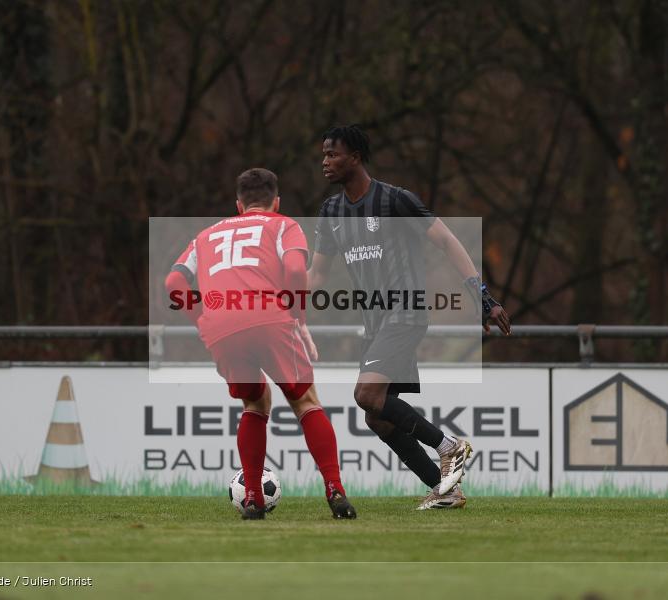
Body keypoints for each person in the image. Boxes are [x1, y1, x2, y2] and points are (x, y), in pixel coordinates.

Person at [309, 125, 511, 510]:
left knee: (365, 395)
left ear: (355, 157)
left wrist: (482, 296)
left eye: (332, 154)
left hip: (405, 312)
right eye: (323, 155)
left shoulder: (395, 200)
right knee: (377, 416)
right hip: (376, 324)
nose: (325, 162)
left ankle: (448, 446)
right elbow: (316, 276)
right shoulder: (331, 212)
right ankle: (445, 490)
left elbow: (448, 241)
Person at [165, 167, 356, 520]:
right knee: (305, 402)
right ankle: (335, 490)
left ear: (239, 205)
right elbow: (296, 271)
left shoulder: (205, 235)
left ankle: (253, 498)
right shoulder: (284, 225)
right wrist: (298, 318)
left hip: (221, 325)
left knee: (255, 403)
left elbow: (174, 283)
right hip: (269, 317)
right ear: (276, 202)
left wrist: (203, 320)